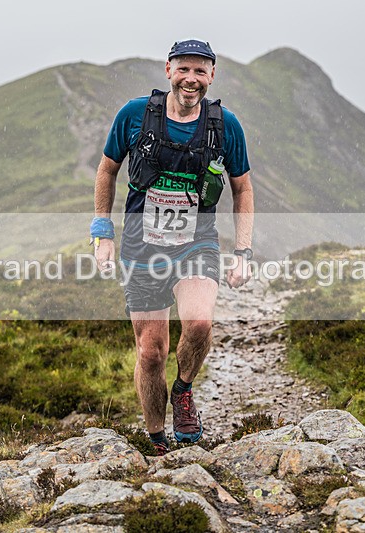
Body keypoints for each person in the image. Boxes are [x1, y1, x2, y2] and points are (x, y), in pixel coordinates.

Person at [90, 39, 254, 455]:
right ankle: (157, 440)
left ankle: (182, 391)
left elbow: (242, 187)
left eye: (201, 71)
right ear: (168, 70)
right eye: (184, 69)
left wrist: (243, 251)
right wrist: (102, 232)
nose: (191, 79)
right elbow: (107, 170)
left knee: (199, 323)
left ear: (212, 75)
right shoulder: (134, 115)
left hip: (196, 243)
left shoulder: (224, 125)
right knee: (150, 353)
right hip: (141, 249)